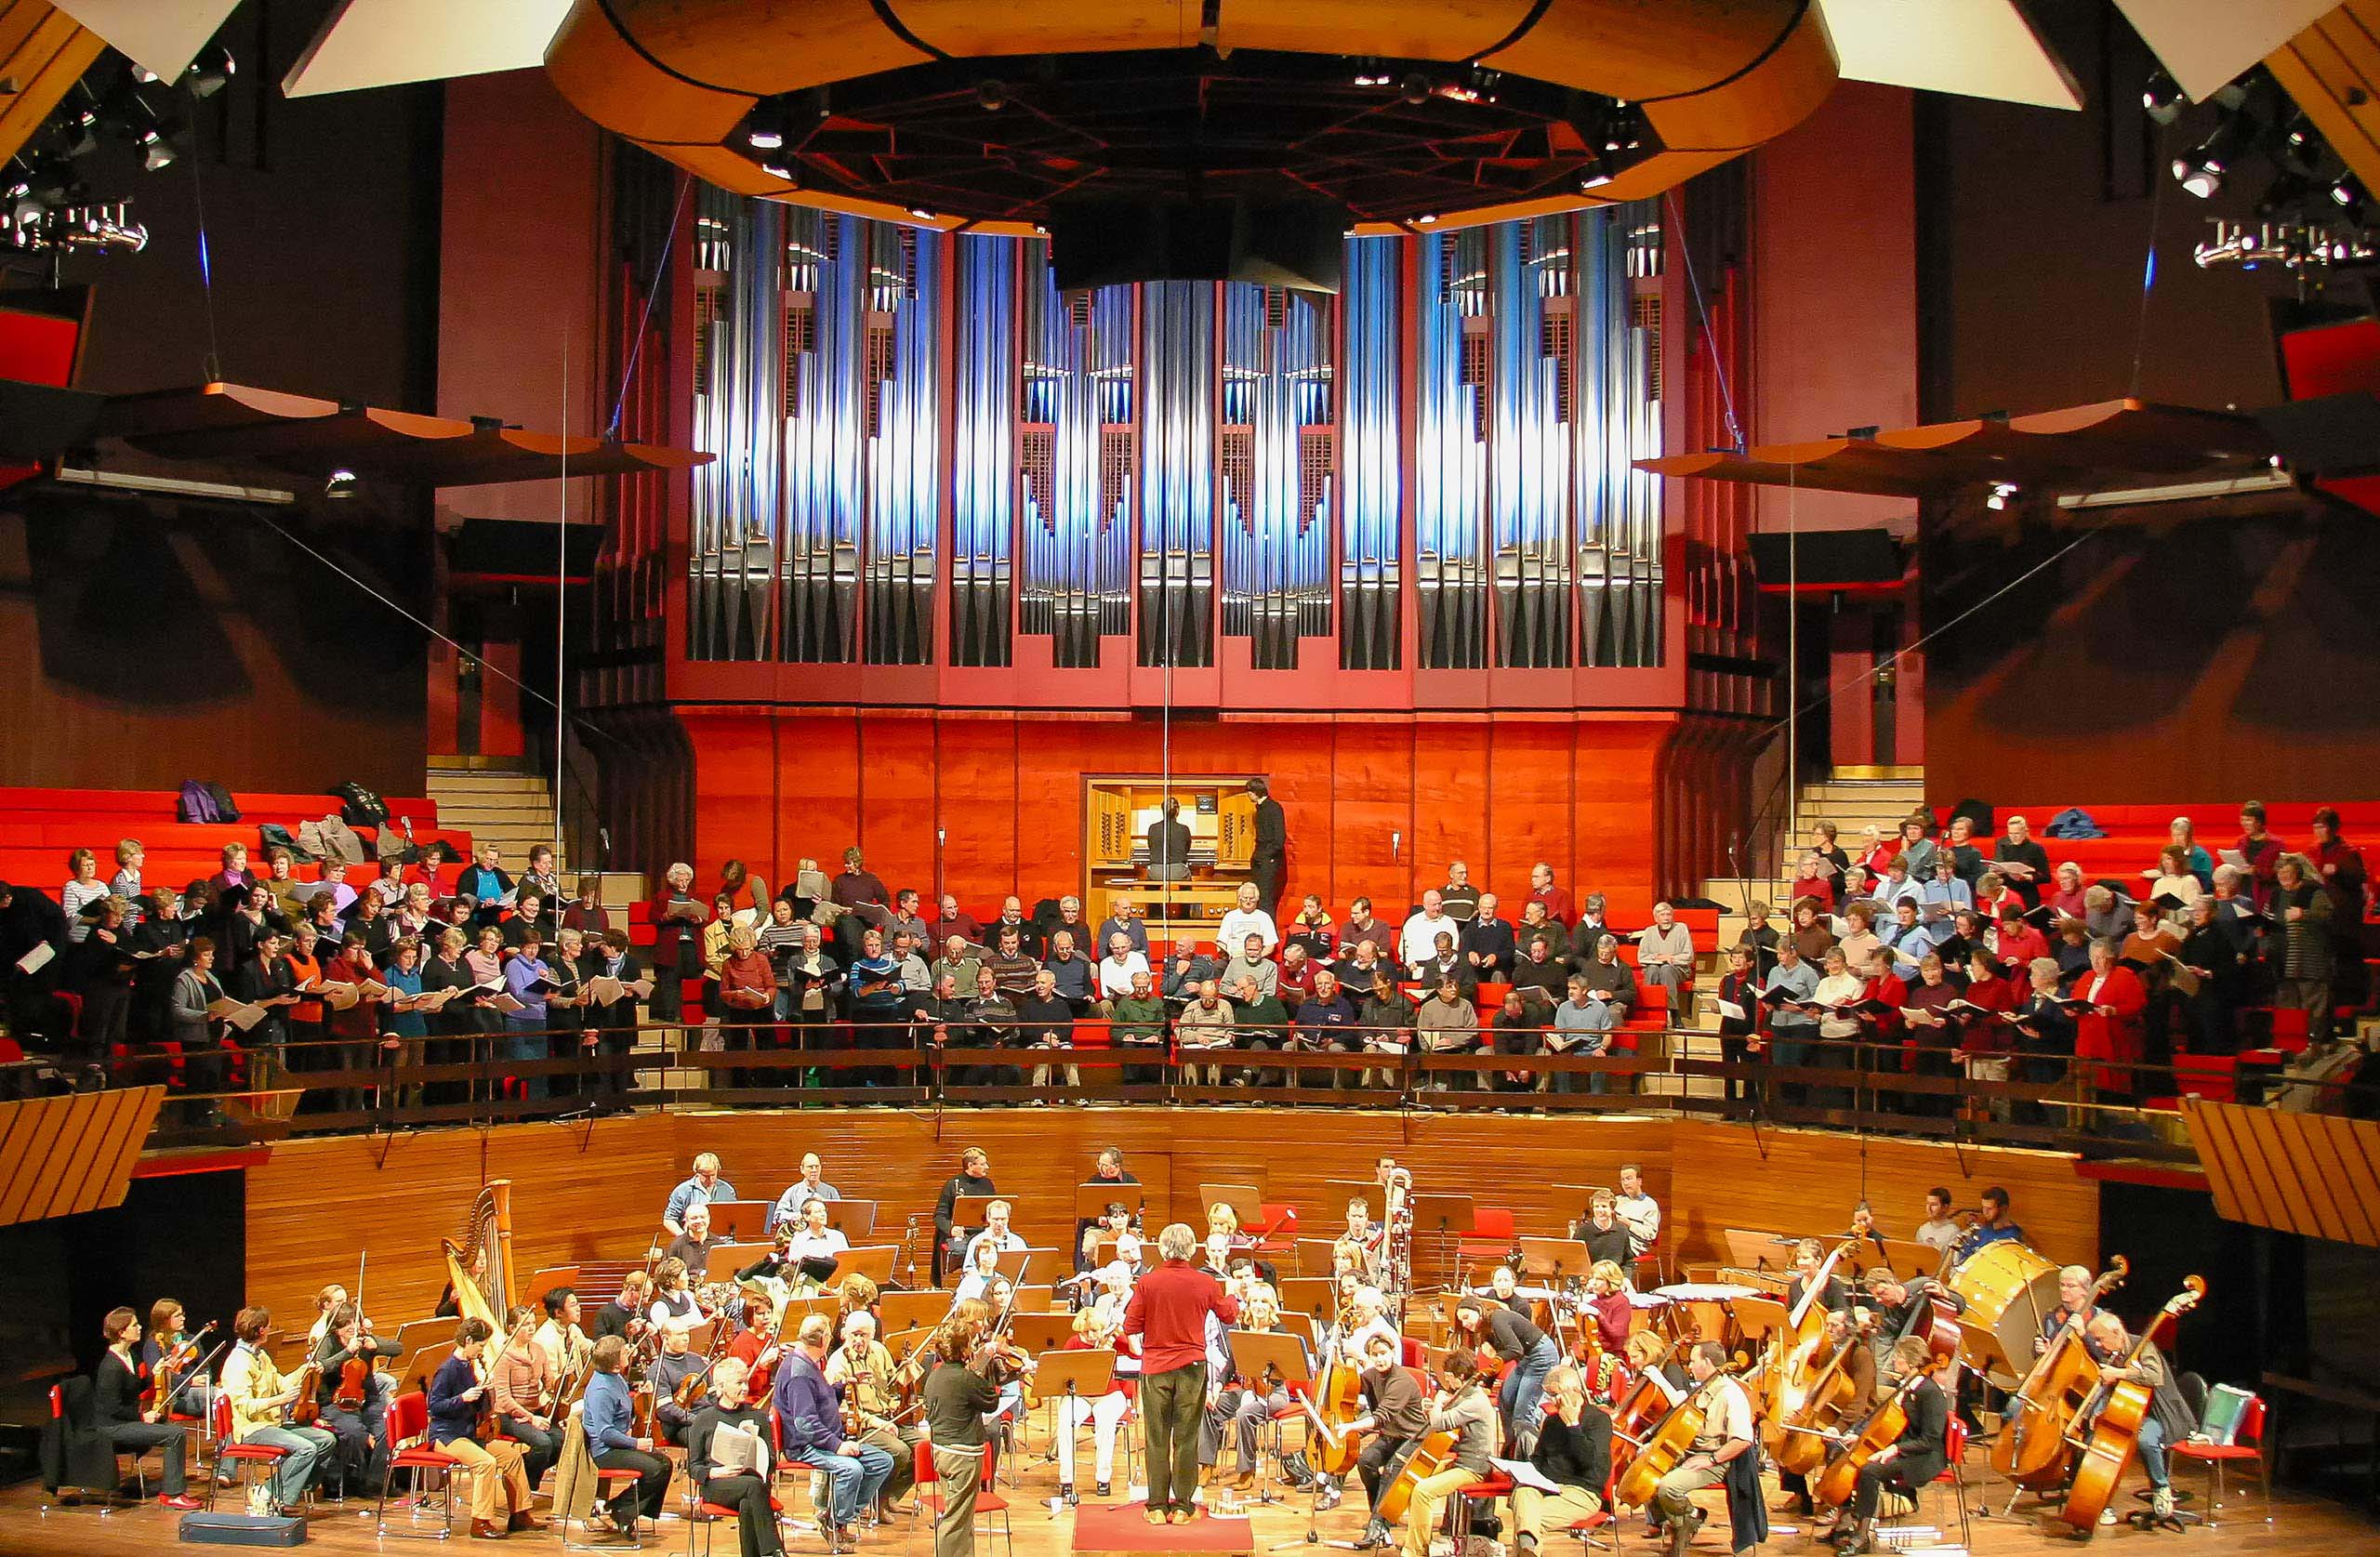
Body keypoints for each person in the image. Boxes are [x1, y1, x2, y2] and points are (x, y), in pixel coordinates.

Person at [1126, 1222, 1240, 1524]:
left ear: (1163, 1249)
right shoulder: (1205, 1282)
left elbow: (1131, 1325)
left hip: (1156, 1368)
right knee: (1187, 1437)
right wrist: (1231, 1294)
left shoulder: (1148, 1282)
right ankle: (1183, 1507)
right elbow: (1229, 1314)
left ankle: (1156, 1507)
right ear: (1192, 1249)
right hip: (1191, 1368)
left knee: (1156, 1437)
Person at [774, 1313, 893, 1549]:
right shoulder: (799, 1374)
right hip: (806, 1446)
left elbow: (821, 1398)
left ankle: (835, 1516)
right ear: (823, 1340)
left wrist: (844, 1384)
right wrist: (837, 1446)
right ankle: (837, 1524)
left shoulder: (809, 1362)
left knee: (882, 1461)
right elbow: (805, 1424)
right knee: (851, 1469)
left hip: (825, 1439)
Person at [1831, 1339, 1950, 1554]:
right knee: (1840, 1452)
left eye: (1898, 1357)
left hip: (1924, 1456)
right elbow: (1883, 1421)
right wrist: (1858, 1437)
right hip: (1903, 1448)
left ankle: (1862, 1535)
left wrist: (1895, 1450)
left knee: (1870, 1470)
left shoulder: (1930, 1393)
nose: (1894, 1360)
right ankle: (1843, 1524)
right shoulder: (1905, 1387)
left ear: (1912, 1361)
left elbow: (1931, 1439)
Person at [2077, 1310, 2195, 1527]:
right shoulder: (2113, 1354)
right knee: (2093, 1441)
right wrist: (2093, 1414)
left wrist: (2119, 1373)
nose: (2098, 1345)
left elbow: (2154, 1376)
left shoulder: (2143, 1346)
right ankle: (2099, 1503)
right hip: (2128, 1412)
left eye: (2100, 1339)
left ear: (2116, 1332)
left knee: (2145, 1439)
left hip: (2159, 1414)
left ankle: (2161, 1489)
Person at [425, 1316, 540, 1538]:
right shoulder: (448, 1369)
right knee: (485, 1463)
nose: (482, 1350)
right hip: (447, 1435)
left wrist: (483, 1391)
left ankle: (520, 1515)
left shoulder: (468, 1365)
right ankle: (480, 1522)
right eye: (480, 1345)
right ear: (468, 1340)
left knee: (512, 1456)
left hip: (469, 1433)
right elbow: (435, 1407)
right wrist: (462, 1398)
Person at [220, 1306, 335, 1519]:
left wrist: (305, 1369)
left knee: (326, 1440)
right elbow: (244, 1405)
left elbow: (281, 1384)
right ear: (261, 1330)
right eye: (269, 1326)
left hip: (272, 1424)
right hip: (251, 1429)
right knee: (306, 1449)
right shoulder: (238, 1362)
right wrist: (279, 1401)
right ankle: (267, 1492)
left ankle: (286, 1489)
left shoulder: (261, 1356)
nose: (270, 1330)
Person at [1651, 1341, 1760, 1557]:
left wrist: (1711, 1460)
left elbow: (1743, 1440)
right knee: (1647, 1478)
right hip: (1691, 1452)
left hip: (1717, 1459)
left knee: (1667, 1487)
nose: (1689, 1366)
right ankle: (1687, 1520)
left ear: (1707, 1362)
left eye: (1693, 1361)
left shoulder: (1730, 1394)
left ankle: (1685, 1523)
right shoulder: (1703, 1387)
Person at [93, 1307, 202, 1509]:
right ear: (121, 1332)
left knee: (171, 1428)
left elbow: (136, 1388)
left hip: (125, 1421)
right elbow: (112, 1408)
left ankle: (172, 1485)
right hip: (112, 1427)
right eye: (134, 1325)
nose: (140, 1327)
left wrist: (155, 1372)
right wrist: (142, 1417)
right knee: (174, 1434)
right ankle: (173, 1494)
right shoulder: (110, 1367)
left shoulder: (130, 1356)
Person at [1396, 1350, 1500, 1557]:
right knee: (1414, 1480)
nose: (1447, 1381)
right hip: (1461, 1462)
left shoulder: (1475, 1402)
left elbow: (1438, 1423)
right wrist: (1432, 1407)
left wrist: (1438, 1401)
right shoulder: (1466, 1395)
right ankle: (1416, 1541)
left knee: (1423, 1491)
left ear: (1460, 1376)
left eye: (1449, 1376)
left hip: (1473, 1468)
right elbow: (1442, 1417)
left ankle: (1416, 1551)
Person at [920, 1301, 1001, 1557]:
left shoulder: (935, 1375)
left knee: (962, 1519)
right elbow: (991, 1400)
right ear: (965, 1349)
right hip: (962, 1456)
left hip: (942, 1451)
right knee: (956, 1520)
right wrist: (984, 1364)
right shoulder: (966, 1379)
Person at [686, 1355, 786, 1557]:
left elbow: (772, 1461)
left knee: (749, 1501)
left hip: (753, 1484)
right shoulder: (704, 1419)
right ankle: (774, 1551)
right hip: (719, 1485)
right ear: (721, 1387)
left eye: (746, 1382)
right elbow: (693, 1467)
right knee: (753, 1488)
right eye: (739, 1383)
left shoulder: (757, 1417)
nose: (745, 1388)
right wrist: (715, 1472)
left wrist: (759, 1462)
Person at [581, 1333, 673, 1539]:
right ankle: (623, 1510)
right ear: (614, 1362)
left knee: (665, 1463)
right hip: (606, 1451)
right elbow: (605, 1432)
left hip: (619, 1444)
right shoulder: (601, 1389)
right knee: (655, 1469)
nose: (629, 1353)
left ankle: (623, 1508)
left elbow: (622, 1405)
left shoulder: (616, 1378)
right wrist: (636, 1443)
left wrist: (638, 1393)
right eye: (624, 1352)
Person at [1511, 1364, 1611, 1552]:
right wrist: (1522, 1473)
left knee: (1527, 1520)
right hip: (1547, 1487)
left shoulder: (1598, 1420)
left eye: (1557, 1394)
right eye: (1549, 1395)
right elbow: (1538, 1460)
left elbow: (1588, 1462)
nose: (1553, 1401)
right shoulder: (1551, 1422)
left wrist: (1572, 1425)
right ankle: (1528, 1547)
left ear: (1576, 1390)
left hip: (1581, 1492)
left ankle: (1527, 1547)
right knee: (1523, 1492)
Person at [1343, 1330, 1430, 1543]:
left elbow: (1381, 1417)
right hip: (1391, 1435)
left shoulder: (1401, 1381)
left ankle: (1378, 1525)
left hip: (1413, 1437)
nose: (1380, 1359)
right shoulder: (1371, 1376)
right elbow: (1349, 1386)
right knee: (1365, 1461)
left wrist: (1351, 1426)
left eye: (1383, 1353)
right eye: (1375, 1355)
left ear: (1392, 1352)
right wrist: (1344, 1364)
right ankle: (1380, 1514)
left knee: (1391, 1470)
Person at [1454, 1294, 1557, 1451]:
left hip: (1541, 1355)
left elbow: (1515, 1349)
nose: (1465, 1324)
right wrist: (1486, 1383)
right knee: (1505, 1399)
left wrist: (1496, 1358)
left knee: (1523, 1411)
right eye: (1461, 1321)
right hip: (1526, 1358)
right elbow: (1501, 1360)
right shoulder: (1486, 1329)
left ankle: (1528, 1454)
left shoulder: (1497, 1319)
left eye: (1466, 1317)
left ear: (1478, 1310)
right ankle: (1511, 1447)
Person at [664, 1153, 737, 1237]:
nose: (710, 1180)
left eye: (713, 1175)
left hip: (723, 1240)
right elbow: (669, 1220)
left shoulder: (727, 1190)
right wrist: (684, 1238)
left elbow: (734, 1218)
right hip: (694, 1241)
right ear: (696, 1172)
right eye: (705, 1176)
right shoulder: (683, 1191)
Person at [1245, 778, 1288, 913]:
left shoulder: (1274, 808)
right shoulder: (1259, 809)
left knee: (1266, 899)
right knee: (1257, 897)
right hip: (1260, 857)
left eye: (1249, 792)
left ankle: (1268, 926)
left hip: (1268, 859)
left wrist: (1266, 855)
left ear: (1255, 792)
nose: (1248, 795)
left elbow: (1279, 838)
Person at [1913, 1188, 1960, 1254]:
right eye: (1927, 1204)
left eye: (1933, 1204)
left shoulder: (1954, 1232)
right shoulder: (1923, 1229)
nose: (1929, 1208)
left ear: (1945, 1207)